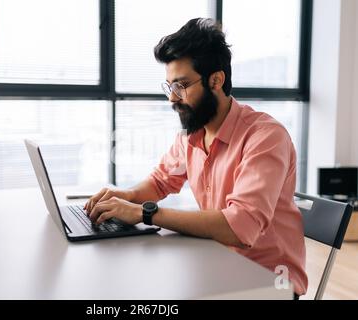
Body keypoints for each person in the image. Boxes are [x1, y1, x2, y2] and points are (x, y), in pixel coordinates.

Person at [84, 18, 307, 298]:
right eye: (169, 87)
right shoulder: (192, 134)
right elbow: (160, 182)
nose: (172, 99)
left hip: (269, 284)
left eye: (181, 86)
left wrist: (145, 213)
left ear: (216, 80)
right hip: (216, 262)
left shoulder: (265, 137)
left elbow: (241, 227)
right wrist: (125, 196)